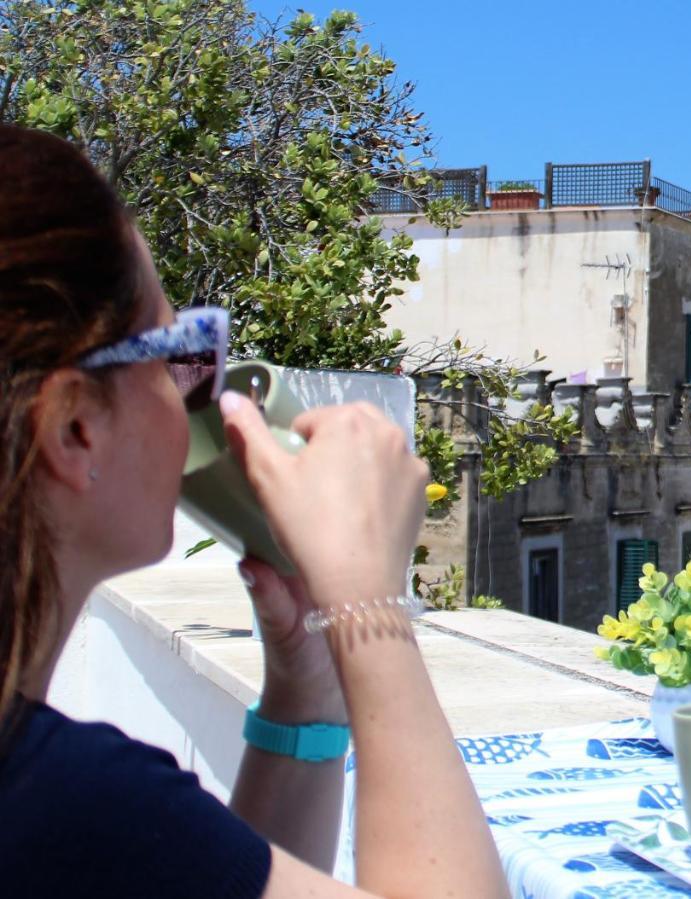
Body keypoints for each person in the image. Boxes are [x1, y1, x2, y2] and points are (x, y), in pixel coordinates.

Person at [0, 124, 508, 897]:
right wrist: (370, 606)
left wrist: (308, 687)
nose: (209, 397)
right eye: (183, 356)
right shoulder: (63, 800)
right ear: (76, 426)